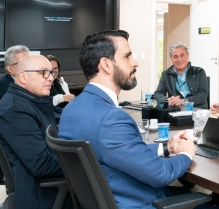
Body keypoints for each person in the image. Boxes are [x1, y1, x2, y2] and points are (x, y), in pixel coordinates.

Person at [59, 30, 199, 209]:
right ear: (106, 65)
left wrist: (166, 147)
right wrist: (186, 153)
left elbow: (120, 149)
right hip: (138, 202)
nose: (135, 62)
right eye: (127, 56)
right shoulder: (111, 119)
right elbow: (161, 174)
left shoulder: (72, 108)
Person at [0, 55, 64, 209]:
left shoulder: (31, 101)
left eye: (52, 72)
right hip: (42, 195)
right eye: (43, 72)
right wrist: (84, 160)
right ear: (23, 77)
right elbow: (42, 164)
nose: (50, 78)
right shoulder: (15, 110)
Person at [154, 42, 209, 108]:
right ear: (171, 58)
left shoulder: (199, 72)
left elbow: (203, 94)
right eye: (175, 57)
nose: (179, 59)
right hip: (176, 110)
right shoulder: (166, 74)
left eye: (182, 55)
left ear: (187, 55)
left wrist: (183, 101)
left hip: (197, 110)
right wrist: (168, 100)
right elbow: (158, 93)